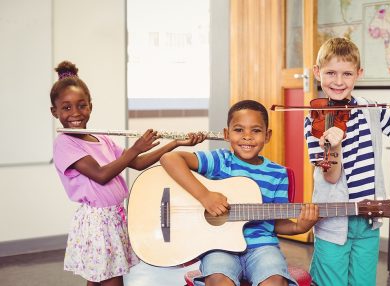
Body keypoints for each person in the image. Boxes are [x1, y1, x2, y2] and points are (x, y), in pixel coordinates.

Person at [50, 60, 205, 286]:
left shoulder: (101, 138)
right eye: (66, 107)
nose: (75, 113)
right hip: (97, 223)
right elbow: (101, 175)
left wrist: (175, 143)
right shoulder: (64, 143)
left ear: (91, 106)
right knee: (111, 280)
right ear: (54, 112)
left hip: (114, 217)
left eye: (82, 105)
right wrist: (135, 148)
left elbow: (139, 162)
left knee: (99, 279)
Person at [304, 38, 390, 286]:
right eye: (331, 73)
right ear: (317, 73)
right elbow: (331, 176)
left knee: (363, 281)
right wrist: (334, 146)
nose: (339, 81)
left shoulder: (372, 109)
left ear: (358, 74)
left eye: (347, 73)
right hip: (334, 218)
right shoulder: (315, 118)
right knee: (331, 281)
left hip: (369, 217)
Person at [160, 99, 319, 286]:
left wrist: (299, 228)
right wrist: (205, 196)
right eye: (239, 130)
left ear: (267, 136)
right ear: (227, 134)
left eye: (256, 130)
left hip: (262, 247)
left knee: (275, 281)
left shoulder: (278, 174)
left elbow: (275, 222)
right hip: (218, 247)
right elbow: (169, 158)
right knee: (219, 280)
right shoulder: (220, 160)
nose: (247, 136)